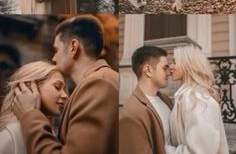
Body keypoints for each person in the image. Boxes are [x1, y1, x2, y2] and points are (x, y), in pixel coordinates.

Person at [12, 15, 119, 154]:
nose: (53, 58)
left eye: (56, 50)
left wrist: (29, 114)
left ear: (73, 47)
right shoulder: (102, 80)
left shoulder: (98, 84)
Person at [165, 45, 229, 154]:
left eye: (175, 62)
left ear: (188, 64)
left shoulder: (197, 99)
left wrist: (164, 149)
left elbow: (201, 151)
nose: (170, 66)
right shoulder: (188, 96)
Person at [0, 61, 68, 154]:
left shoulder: (51, 135)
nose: (65, 96)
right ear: (30, 87)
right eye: (57, 87)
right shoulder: (10, 136)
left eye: (65, 90)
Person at [120, 45, 173, 154]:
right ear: (148, 70)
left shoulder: (166, 100)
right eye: (164, 68)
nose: (169, 73)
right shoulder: (130, 114)